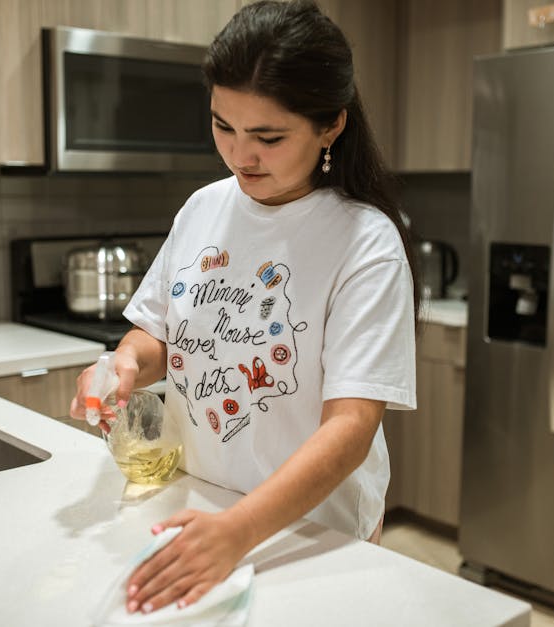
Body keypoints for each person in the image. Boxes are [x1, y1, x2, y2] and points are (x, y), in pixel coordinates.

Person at [70, 0, 418, 615]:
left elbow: (351, 428)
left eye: (268, 136)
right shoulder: (204, 208)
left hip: (312, 530)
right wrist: (123, 364)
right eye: (222, 126)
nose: (240, 155)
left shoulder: (365, 243)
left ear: (331, 126)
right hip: (204, 506)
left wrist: (241, 531)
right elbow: (157, 335)